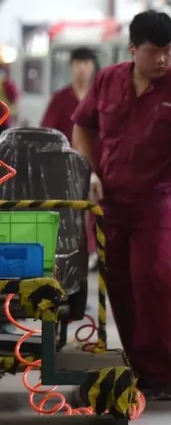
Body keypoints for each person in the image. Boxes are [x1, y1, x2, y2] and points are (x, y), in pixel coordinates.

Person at [71, 10, 171, 402]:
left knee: (152, 280)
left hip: (158, 202)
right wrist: (89, 172)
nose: (163, 59)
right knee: (119, 284)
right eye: (153, 51)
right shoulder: (108, 80)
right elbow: (83, 126)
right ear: (133, 49)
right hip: (110, 201)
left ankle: (159, 373)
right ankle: (133, 363)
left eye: (168, 50)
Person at [42, 47, 100, 268]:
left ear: (93, 66)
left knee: (97, 208)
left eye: (86, 63)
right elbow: (47, 131)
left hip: (98, 166)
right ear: (70, 67)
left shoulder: (100, 97)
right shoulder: (60, 99)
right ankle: (71, 254)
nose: (82, 69)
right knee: (69, 212)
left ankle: (95, 251)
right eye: (77, 63)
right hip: (65, 168)